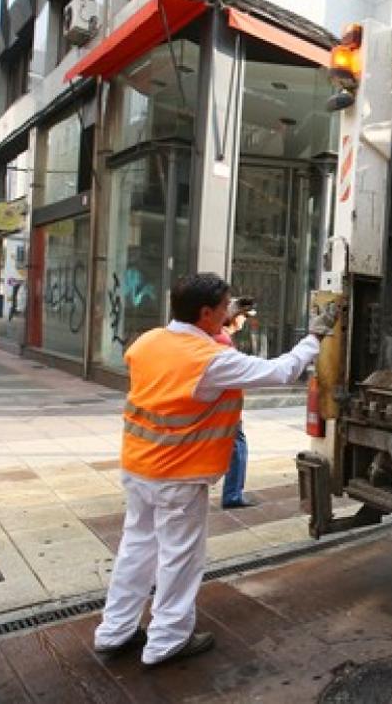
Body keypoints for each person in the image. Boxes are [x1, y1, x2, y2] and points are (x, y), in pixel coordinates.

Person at [93, 273, 336, 666]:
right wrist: (315, 337)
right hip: (178, 475)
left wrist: (220, 323)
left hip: (138, 466)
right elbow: (281, 372)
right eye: (223, 308)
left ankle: (114, 631)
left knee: (136, 550)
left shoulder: (149, 341)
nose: (229, 313)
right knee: (179, 557)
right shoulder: (209, 361)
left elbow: (187, 354)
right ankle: (167, 641)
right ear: (205, 313)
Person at [216, 297, 256, 509]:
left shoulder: (220, 338)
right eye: (243, 316)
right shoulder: (222, 341)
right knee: (238, 448)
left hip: (224, 408)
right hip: (226, 410)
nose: (244, 321)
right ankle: (232, 495)